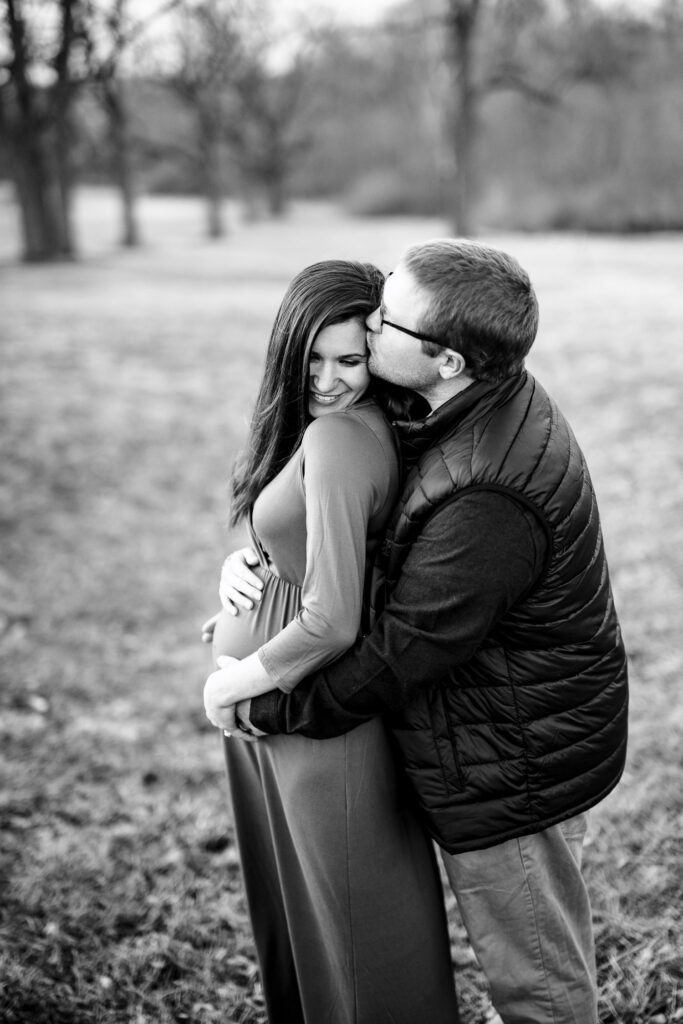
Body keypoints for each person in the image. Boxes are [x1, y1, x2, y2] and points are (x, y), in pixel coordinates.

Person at [215, 239, 629, 1024]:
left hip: (511, 758)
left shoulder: (490, 493)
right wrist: (266, 557)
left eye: (383, 325)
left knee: (536, 983)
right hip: (494, 728)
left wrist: (270, 707)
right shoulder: (456, 404)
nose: (367, 333)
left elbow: (403, 649)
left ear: (443, 360)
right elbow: (367, 535)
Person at [202, 259, 459, 1024]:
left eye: (349, 359)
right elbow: (315, 547)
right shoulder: (331, 432)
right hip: (280, 699)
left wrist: (231, 681)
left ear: (377, 355)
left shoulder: (345, 436)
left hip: (310, 710)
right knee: (300, 914)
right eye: (310, 359)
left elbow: (334, 619)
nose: (327, 378)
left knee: (356, 935)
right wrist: (247, 559)